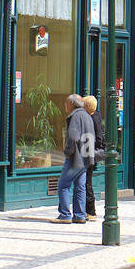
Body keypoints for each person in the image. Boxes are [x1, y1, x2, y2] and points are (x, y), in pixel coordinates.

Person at [57, 94, 94, 223]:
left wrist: (68, 152)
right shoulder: (87, 116)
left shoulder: (75, 116)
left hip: (75, 158)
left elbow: (73, 137)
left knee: (63, 185)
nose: (65, 105)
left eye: (66, 102)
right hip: (86, 158)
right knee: (80, 187)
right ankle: (79, 215)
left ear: (71, 104)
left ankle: (65, 215)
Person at [83, 95, 106, 219]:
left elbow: (98, 138)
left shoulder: (93, 118)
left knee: (87, 181)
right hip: (89, 152)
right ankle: (88, 210)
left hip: (89, 153)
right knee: (87, 181)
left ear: (86, 107)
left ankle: (91, 211)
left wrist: (88, 147)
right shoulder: (96, 116)